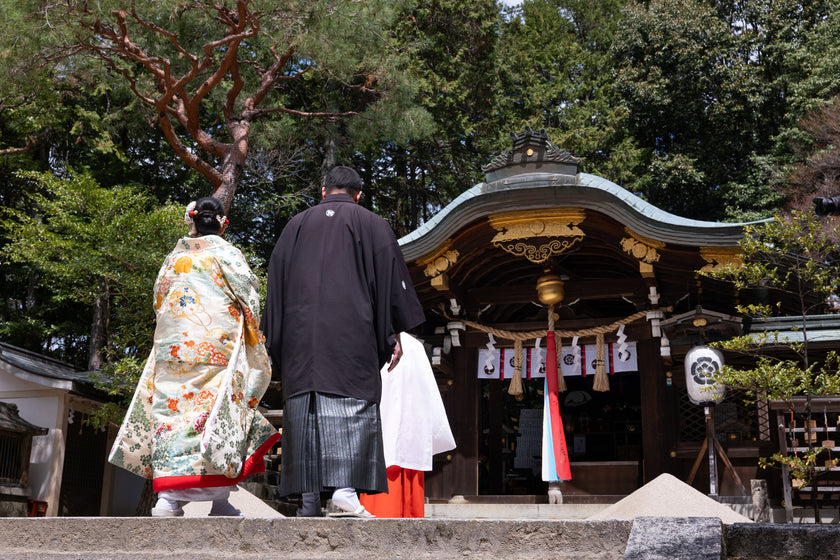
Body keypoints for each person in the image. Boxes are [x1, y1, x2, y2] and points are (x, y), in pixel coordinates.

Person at [261, 165, 425, 518]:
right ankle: (346, 493)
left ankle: (308, 502)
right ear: (358, 195)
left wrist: (275, 339)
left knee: (306, 411)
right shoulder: (374, 225)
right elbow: (390, 282)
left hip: (301, 341)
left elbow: (275, 285)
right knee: (351, 405)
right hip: (353, 337)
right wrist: (394, 332)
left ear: (323, 192)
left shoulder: (295, 227)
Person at [109, 196, 281, 517]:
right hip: (216, 347)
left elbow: (159, 301)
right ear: (222, 223)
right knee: (217, 415)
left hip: (173, 350)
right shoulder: (229, 255)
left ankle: (168, 500)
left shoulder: (173, 259)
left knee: (171, 417)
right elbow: (250, 296)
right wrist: (254, 333)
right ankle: (219, 501)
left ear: (192, 220)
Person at [359, 332, 455, 518]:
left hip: (381, 427)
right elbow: (428, 398)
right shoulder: (414, 346)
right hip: (410, 429)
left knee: (386, 456)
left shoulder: (375, 339)